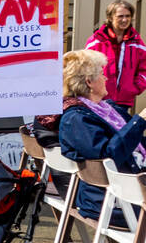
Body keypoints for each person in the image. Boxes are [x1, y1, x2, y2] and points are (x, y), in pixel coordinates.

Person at [58, 48, 146, 220]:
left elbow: (135, 144)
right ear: (89, 81)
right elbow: (110, 155)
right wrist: (139, 121)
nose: (106, 78)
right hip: (115, 201)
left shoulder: (105, 109)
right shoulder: (75, 119)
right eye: (101, 74)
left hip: (127, 190)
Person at [85, 0, 146, 117]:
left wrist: (134, 88)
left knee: (120, 133)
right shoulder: (96, 41)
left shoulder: (137, 43)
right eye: (120, 16)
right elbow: (86, 69)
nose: (124, 20)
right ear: (110, 17)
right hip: (99, 100)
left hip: (124, 101)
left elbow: (144, 69)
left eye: (128, 16)